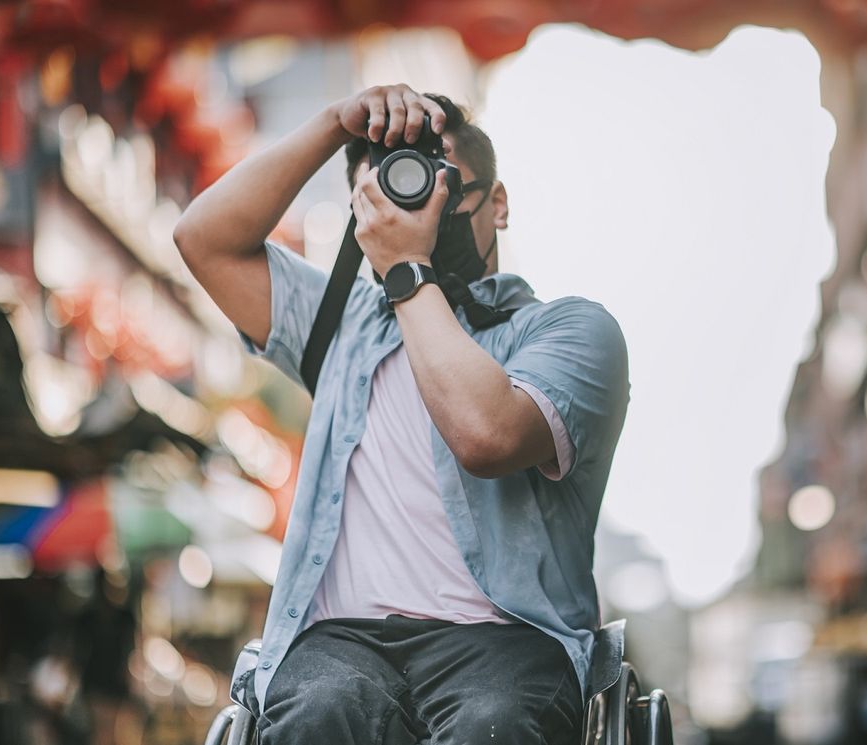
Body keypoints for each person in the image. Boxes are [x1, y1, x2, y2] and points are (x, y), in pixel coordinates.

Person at [174, 84, 630, 744]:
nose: (415, 208)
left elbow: (486, 433)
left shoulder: (571, 331)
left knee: (491, 726)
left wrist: (408, 273)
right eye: (384, 194)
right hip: (343, 640)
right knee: (312, 717)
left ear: (496, 204)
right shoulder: (343, 321)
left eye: (434, 184)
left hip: (506, 640)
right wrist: (334, 123)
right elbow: (202, 238)